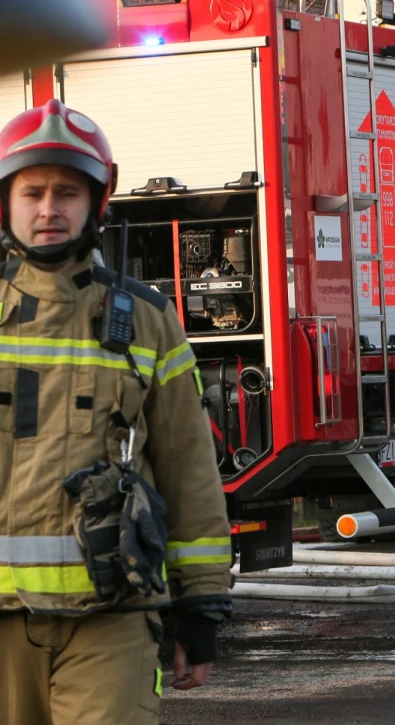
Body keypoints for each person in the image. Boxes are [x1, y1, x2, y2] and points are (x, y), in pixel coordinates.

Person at [0, 99, 233, 725]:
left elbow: (188, 468)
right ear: (6, 202)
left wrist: (201, 605)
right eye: (32, 193)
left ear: (97, 202)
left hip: (114, 617)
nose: (49, 210)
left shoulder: (148, 322)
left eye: (67, 193)